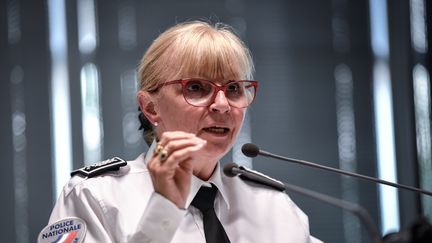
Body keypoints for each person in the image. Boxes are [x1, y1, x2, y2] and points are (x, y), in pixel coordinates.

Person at [40, 20, 322, 243]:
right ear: (151, 108)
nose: (222, 105)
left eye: (233, 88)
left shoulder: (273, 205)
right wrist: (163, 211)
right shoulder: (93, 198)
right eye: (197, 88)